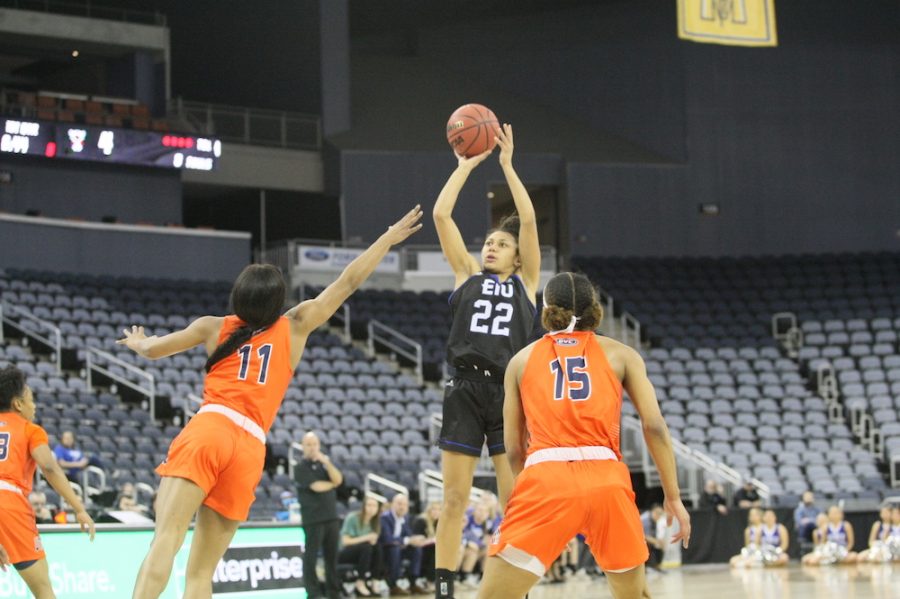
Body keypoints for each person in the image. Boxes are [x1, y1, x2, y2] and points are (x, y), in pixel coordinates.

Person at [116, 205, 423, 599]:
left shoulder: (212, 326)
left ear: (238, 296)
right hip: (250, 447)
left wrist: (139, 341)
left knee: (167, 538)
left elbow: (154, 350)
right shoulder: (295, 326)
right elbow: (347, 282)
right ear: (277, 301)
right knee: (201, 574)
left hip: (212, 427)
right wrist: (387, 238)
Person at [477, 272, 691, 599]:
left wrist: (534, 497)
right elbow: (655, 427)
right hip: (607, 479)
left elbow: (514, 449)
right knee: (635, 595)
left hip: (547, 477)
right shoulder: (623, 354)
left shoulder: (520, 361)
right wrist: (673, 497)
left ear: (546, 308)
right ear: (595, 307)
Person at [432, 124, 541, 599]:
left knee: (512, 498)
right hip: (463, 389)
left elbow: (530, 222)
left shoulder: (527, 285)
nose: (490, 246)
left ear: (518, 259)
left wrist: (508, 167)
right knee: (454, 498)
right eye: (489, 242)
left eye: (501, 244)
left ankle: (512, 584)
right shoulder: (465, 275)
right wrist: (464, 167)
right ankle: (443, 589)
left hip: (508, 394)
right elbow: (441, 214)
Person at [0, 366, 95, 599]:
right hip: (8, 504)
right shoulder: (30, 430)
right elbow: (50, 467)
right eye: (31, 400)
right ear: (18, 404)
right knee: (43, 591)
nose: (35, 407)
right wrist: (79, 508)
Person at [294, 431, 344, 599]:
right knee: (311, 557)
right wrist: (332, 483)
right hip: (313, 519)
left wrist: (327, 463)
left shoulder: (324, 465)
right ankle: (313, 592)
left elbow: (339, 479)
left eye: (314, 444)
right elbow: (316, 486)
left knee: (332, 557)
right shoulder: (299, 467)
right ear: (303, 446)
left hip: (331, 518)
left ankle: (333, 591)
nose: (312, 448)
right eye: (308, 444)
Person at [379, 493, 427, 596]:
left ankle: (413, 583)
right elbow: (387, 539)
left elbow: (408, 535)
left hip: (399, 548)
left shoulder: (405, 518)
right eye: (399, 504)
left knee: (416, 549)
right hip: (385, 549)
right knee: (394, 549)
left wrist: (414, 540)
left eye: (405, 504)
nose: (402, 507)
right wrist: (407, 540)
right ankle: (393, 585)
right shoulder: (385, 518)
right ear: (393, 504)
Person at [338, 495, 383, 597]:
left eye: (374, 506)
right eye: (369, 505)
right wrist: (366, 537)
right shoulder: (352, 518)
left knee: (377, 547)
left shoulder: (376, 522)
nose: (371, 508)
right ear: (363, 506)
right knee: (366, 546)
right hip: (346, 553)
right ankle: (360, 581)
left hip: (364, 554)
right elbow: (345, 541)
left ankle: (375, 580)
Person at [412, 501, 441, 590]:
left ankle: (438, 579)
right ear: (428, 510)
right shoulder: (421, 520)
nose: (436, 512)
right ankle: (430, 580)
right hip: (419, 549)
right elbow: (416, 541)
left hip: (431, 549)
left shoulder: (438, 523)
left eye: (439, 509)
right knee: (436, 550)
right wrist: (432, 540)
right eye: (434, 509)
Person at [641, 504, 666, 571]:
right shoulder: (645, 520)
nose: (660, 516)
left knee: (659, 546)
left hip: (649, 538)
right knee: (650, 545)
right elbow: (645, 536)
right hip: (640, 540)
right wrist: (657, 542)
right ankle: (644, 567)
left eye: (661, 514)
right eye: (659, 514)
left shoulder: (654, 520)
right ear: (654, 512)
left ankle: (657, 566)